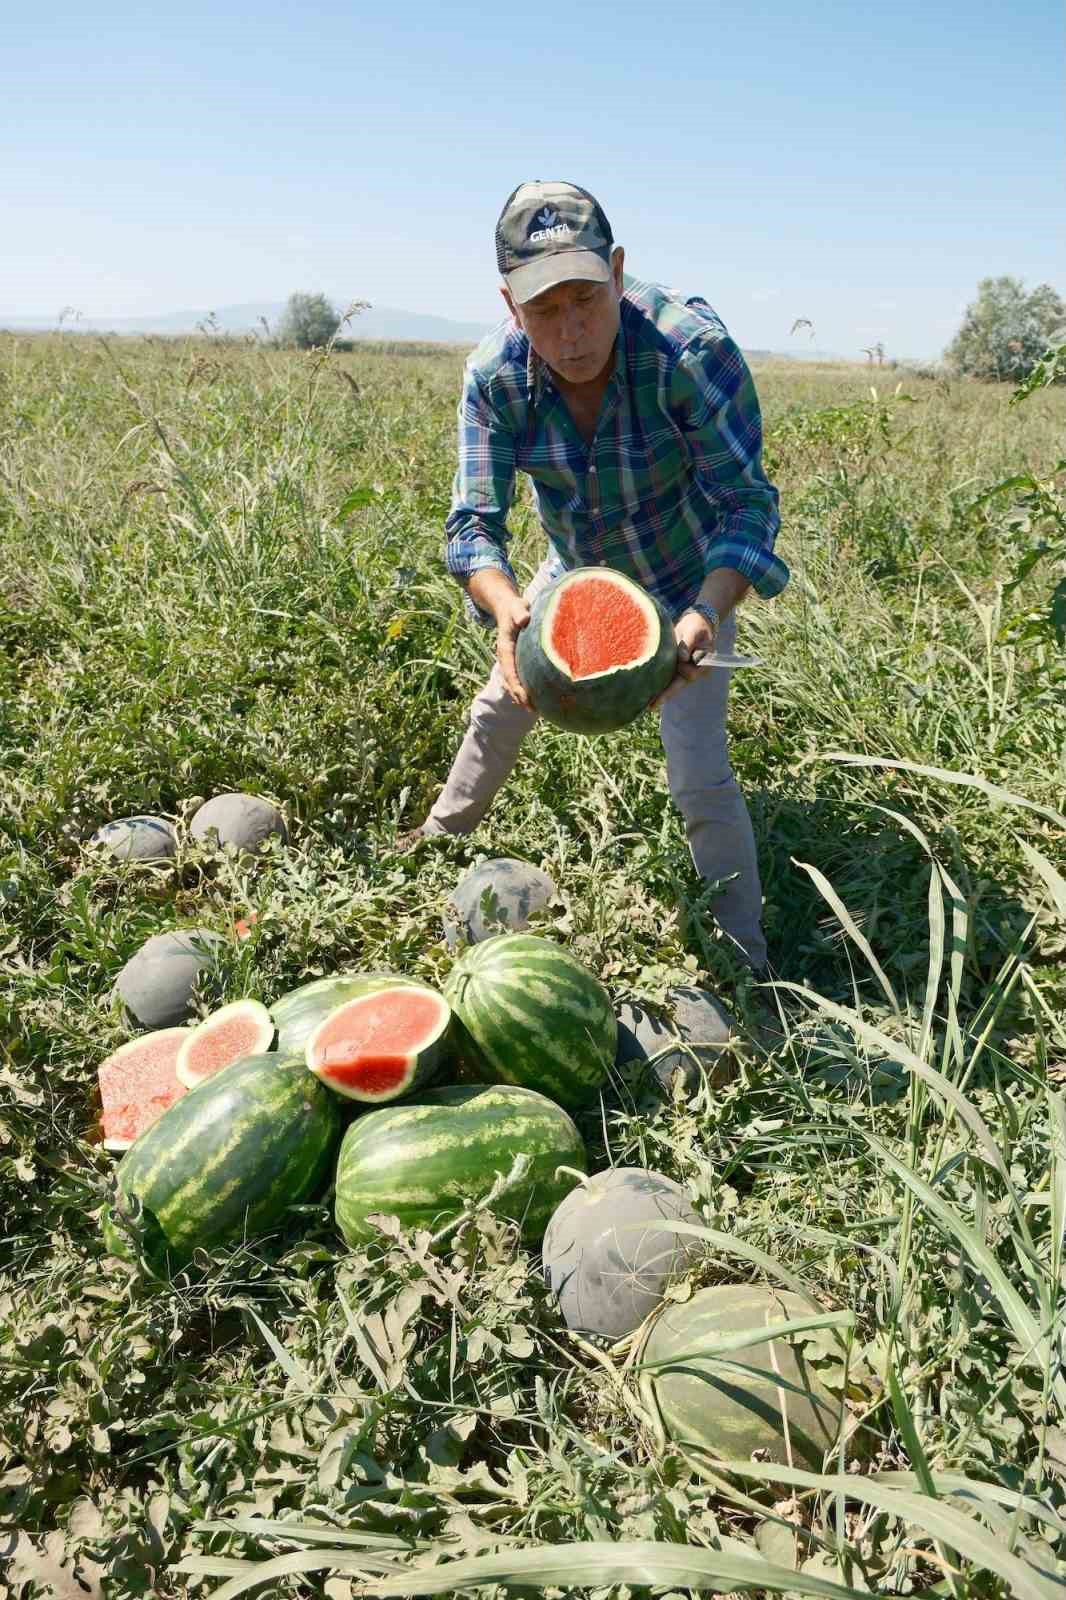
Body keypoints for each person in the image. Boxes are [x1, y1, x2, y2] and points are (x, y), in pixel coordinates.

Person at [405, 180, 788, 973]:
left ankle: (745, 957)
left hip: (688, 578)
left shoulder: (689, 352)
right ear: (511, 304)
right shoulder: (496, 377)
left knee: (699, 771)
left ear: (618, 273)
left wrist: (706, 613)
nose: (572, 331)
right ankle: (433, 846)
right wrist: (509, 609)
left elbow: (747, 506)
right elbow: (472, 526)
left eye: (586, 298)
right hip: (575, 562)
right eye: (544, 309)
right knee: (497, 707)